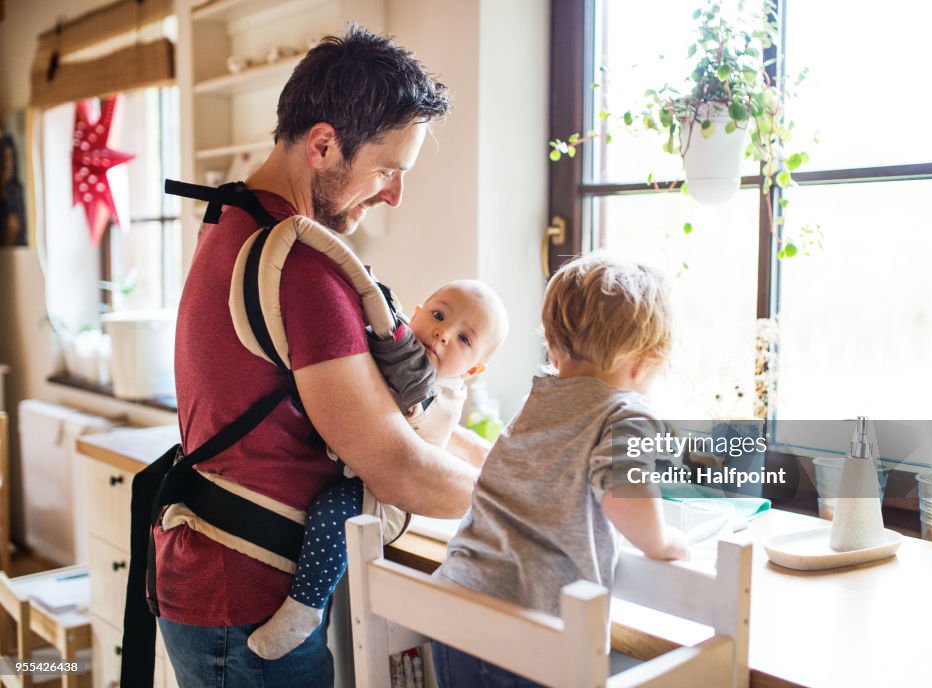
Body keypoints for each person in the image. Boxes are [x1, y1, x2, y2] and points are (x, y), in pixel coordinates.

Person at [158, 26, 477, 687]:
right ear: (324, 144)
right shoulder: (302, 268)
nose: (394, 194)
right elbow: (395, 468)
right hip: (247, 604)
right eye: (388, 170)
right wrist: (527, 502)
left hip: (214, 584)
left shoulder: (232, 215)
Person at [431, 253, 691, 688]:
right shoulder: (627, 412)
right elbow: (623, 496)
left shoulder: (542, 399)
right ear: (644, 362)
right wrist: (663, 540)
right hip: (526, 626)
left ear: (552, 346)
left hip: (455, 605)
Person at [246, 279, 509, 660]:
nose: (443, 333)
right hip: (360, 473)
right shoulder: (413, 365)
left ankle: (305, 608)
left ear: (474, 370)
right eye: (438, 316)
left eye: (464, 340)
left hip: (386, 502)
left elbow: (415, 424)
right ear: (416, 314)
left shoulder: (434, 390)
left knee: (331, 512)